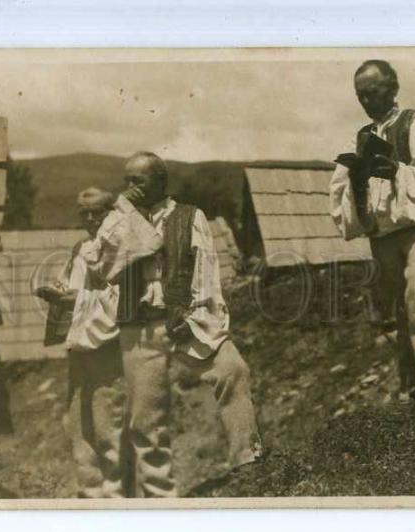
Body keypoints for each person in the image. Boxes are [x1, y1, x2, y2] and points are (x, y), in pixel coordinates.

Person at [79, 152, 263, 498]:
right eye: (127, 182)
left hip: (188, 318)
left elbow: (206, 274)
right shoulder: (116, 220)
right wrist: (125, 214)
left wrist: (193, 313)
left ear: (160, 182)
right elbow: (103, 265)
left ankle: (249, 464)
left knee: (232, 370)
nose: (131, 188)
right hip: (139, 327)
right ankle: (160, 498)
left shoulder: (190, 216)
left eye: (140, 181)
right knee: (145, 420)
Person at [329, 59, 415, 400]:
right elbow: (340, 200)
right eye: (361, 95)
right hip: (383, 235)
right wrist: (358, 180)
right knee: (398, 308)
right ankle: (412, 384)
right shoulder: (360, 138)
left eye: (372, 92)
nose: (367, 101)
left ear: (393, 87)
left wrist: (398, 172)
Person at [35, 187, 125, 498]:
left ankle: (117, 494)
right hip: (79, 344)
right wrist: (56, 291)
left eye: (96, 212)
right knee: (79, 421)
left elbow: (119, 298)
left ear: (111, 212)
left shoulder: (119, 249)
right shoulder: (80, 249)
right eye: (83, 213)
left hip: (107, 343)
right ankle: (91, 491)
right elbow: (70, 286)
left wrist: (74, 298)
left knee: (106, 420)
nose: (89, 218)